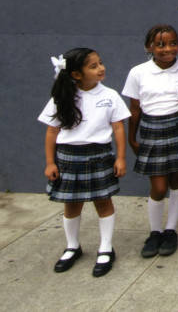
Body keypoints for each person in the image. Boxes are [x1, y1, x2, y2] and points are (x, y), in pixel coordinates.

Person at [38, 48, 130, 277]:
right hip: (68, 157)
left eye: (101, 63)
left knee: (103, 201)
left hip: (99, 156)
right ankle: (72, 246)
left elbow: (118, 127)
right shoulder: (62, 99)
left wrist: (120, 157)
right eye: (93, 66)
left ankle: (106, 248)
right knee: (71, 205)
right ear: (77, 74)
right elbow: (52, 132)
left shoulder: (109, 95)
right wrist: (50, 162)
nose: (101, 68)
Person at [123, 25, 178, 258]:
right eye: (161, 44)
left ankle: (171, 230)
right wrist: (132, 139)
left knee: (176, 181)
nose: (168, 49)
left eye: (173, 43)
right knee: (158, 187)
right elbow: (134, 109)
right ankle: (155, 232)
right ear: (149, 47)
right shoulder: (138, 72)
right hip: (151, 131)